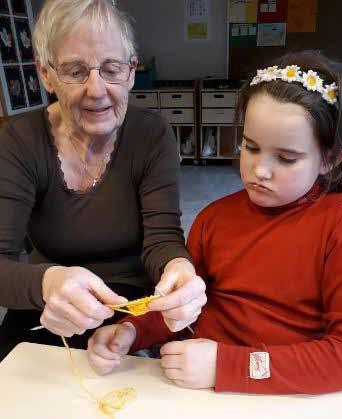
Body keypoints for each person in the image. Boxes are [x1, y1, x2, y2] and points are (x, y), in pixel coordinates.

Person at [87, 50, 342, 394]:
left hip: (284, 395)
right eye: (250, 147)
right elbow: (182, 308)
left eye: (286, 158)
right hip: (196, 382)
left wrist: (226, 366)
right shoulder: (215, 218)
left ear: (330, 159)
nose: (260, 171)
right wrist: (132, 331)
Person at [0, 0, 206, 354]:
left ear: (130, 71)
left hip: (134, 310)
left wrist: (179, 268)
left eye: (111, 69)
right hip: (50, 305)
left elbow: (162, 240)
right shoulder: (18, 141)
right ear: (46, 73)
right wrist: (46, 282)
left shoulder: (152, 135)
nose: (96, 90)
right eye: (76, 71)